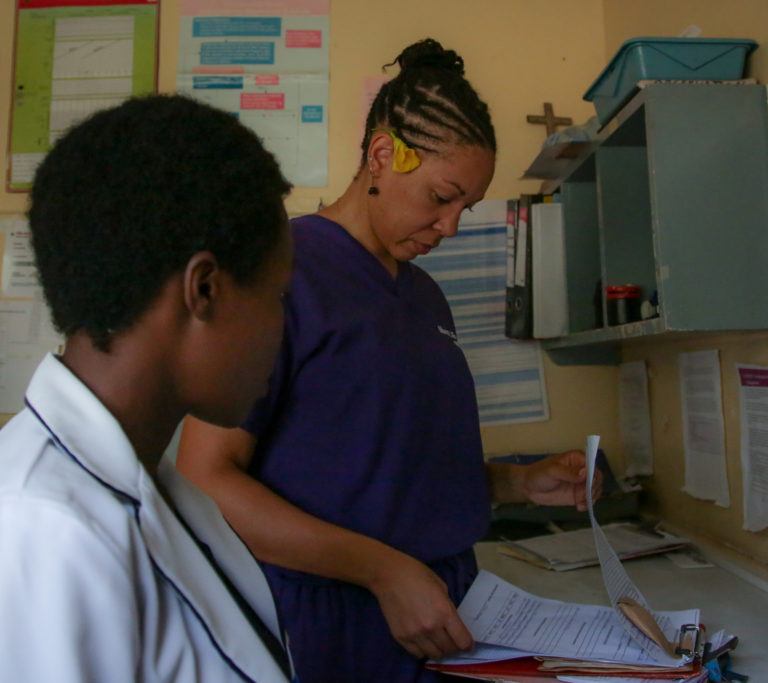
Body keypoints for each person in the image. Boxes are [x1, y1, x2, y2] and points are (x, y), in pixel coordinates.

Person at [177, 38, 599, 682]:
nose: (451, 226)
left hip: (447, 615)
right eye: (440, 196)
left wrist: (518, 482)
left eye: (467, 208)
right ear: (382, 155)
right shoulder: (281, 272)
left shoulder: (423, 293)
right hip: (332, 622)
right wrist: (383, 571)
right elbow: (206, 477)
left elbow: (385, 468)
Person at [0, 95, 296, 682]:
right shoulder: (44, 530)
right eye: (277, 296)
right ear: (203, 290)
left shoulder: (157, 484)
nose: (282, 330)